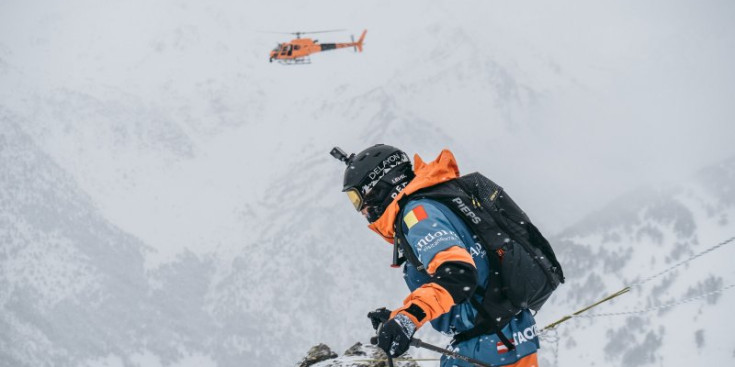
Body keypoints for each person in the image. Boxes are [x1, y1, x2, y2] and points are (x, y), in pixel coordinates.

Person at [332, 144, 540, 367]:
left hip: (486, 346)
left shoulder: (417, 214)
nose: (362, 210)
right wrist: (399, 317)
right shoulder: (435, 202)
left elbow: (458, 276)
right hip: (507, 337)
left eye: (358, 198)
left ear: (381, 186)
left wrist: (409, 318)